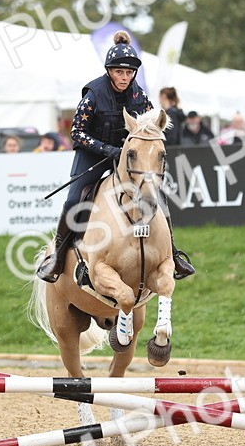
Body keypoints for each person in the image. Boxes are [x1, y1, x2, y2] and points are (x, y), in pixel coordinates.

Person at [36, 30, 195, 282]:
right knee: (74, 199)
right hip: (93, 155)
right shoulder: (93, 94)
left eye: (129, 72)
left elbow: (151, 126)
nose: (124, 77)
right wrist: (108, 149)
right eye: (119, 72)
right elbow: (76, 132)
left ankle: (173, 254)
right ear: (109, 71)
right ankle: (57, 257)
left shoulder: (139, 96)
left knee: (157, 195)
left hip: (129, 157)